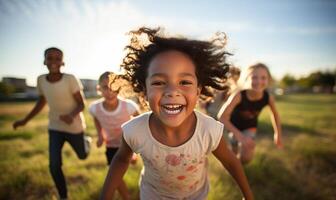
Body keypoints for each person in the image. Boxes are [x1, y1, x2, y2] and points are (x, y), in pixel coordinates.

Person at [100, 27, 253, 200]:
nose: (172, 91)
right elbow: (121, 160)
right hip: (153, 195)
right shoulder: (134, 130)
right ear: (144, 90)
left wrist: (248, 196)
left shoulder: (209, 130)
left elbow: (230, 162)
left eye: (184, 82)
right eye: (158, 82)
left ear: (198, 90)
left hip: (195, 195)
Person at [12, 47, 91, 200]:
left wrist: (71, 115)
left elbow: (82, 104)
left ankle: (86, 142)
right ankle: (64, 196)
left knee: (82, 156)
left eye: (57, 58)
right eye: (50, 58)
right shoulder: (41, 80)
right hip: (55, 127)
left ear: (63, 62)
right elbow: (41, 102)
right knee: (54, 166)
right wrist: (24, 120)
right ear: (44, 61)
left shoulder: (70, 79)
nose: (53, 62)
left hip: (74, 127)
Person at [218, 63, 283, 165]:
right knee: (234, 154)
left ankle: (240, 165)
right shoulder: (239, 95)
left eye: (263, 78)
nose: (259, 81)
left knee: (246, 156)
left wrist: (277, 133)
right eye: (254, 77)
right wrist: (239, 136)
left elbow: (275, 114)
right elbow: (222, 117)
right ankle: (235, 168)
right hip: (233, 127)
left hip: (250, 127)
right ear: (247, 79)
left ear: (268, 80)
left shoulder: (267, 97)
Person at [89, 71, 140, 200]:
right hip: (111, 145)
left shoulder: (128, 106)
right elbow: (96, 118)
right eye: (105, 87)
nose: (110, 91)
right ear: (99, 89)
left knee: (121, 169)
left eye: (114, 87)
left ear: (119, 88)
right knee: (114, 175)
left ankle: (132, 156)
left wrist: (135, 144)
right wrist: (100, 135)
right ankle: (126, 197)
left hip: (127, 144)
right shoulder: (95, 108)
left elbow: (139, 121)